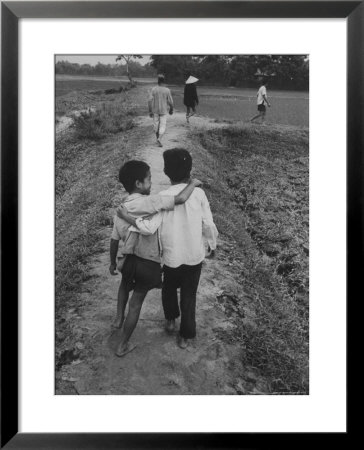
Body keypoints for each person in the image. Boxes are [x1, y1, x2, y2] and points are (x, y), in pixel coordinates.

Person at [118, 149, 218, 350]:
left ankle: (171, 320)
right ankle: (186, 335)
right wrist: (212, 244)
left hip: (171, 256)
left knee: (169, 289)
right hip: (193, 255)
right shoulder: (198, 193)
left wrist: (128, 218)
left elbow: (149, 227)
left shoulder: (162, 197)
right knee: (189, 295)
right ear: (190, 170)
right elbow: (208, 224)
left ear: (165, 171)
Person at [148, 74, 174, 147]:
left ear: (158, 81)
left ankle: (157, 139)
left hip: (155, 111)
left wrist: (150, 111)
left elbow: (149, 101)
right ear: (164, 81)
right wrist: (171, 109)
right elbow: (171, 102)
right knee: (162, 125)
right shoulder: (167, 90)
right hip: (163, 111)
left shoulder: (154, 89)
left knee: (156, 126)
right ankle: (159, 139)